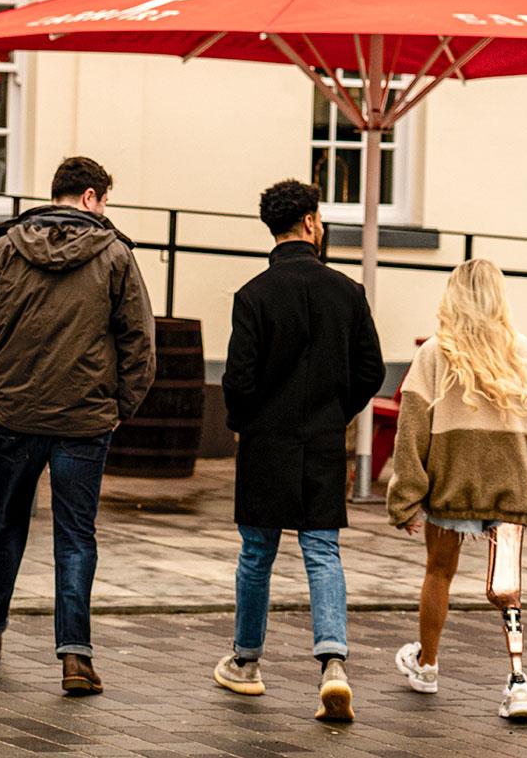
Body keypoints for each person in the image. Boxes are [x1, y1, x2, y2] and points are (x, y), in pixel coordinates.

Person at [0, 156, 156, 696]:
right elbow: (140, 343)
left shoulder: (3, 250)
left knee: (8, 524)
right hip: (85, 421)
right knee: (75, 536)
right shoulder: (115, 256)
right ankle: (75, 657)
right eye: (105, 199)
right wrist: (119, 407)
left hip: (17, 416)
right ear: (90, 197)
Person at [211, 180, 384, 723]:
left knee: (256, 555)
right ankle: (333, 663)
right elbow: (371, 372)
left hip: (267, 441)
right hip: (323, 440)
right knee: (322, 551)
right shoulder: (347, 292)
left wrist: (247, 423)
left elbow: (237, 379)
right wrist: (336, 411)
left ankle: (246, 661)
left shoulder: (253, 295)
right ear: (310, 223)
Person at [384, 259, 527, 723]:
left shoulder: (435, 354)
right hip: (510, 485)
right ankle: (518, 681)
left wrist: (405, 497)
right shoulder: (521, 351)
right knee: (507, 586)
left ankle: (427, 665)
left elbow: (411, 432)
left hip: (453, 484)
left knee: (439, 572)